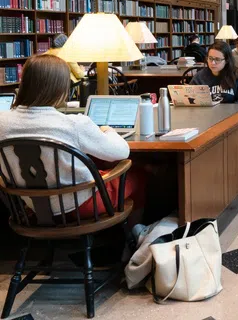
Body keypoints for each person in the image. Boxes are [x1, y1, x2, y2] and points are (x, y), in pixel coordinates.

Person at [0, 55, 142, 220]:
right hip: (80, 205)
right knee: (137, 174)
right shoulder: (74, 124)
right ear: (61, 89)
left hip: (32, 206)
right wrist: (108, 130)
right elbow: (122, 152)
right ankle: (136, 234)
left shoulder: (2, 122)